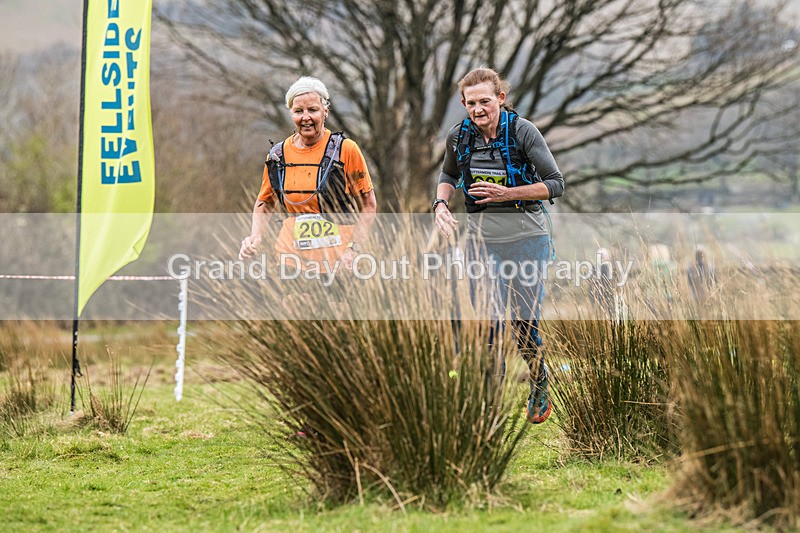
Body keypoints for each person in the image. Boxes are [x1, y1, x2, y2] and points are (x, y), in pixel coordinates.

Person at [433, 67, 565, 424]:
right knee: (487, 322)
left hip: (528, 239)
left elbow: (555, 183)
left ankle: (539, 382)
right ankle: (489, 404)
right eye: (471, 103)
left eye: (485, 101)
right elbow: (448, 175)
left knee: (522, 326)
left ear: (500, 99)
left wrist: (508, 193)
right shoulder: (458, 137)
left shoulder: (523, 132)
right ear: (464, 104)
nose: (478, 109)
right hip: (482, 240)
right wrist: (441, 204)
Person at [239, 76, 377, 305]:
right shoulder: (277, 155)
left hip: (339, 256)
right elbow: (265, 202)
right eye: (298, 111)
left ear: (326, 111)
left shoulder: (346, 150)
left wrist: (355, 248)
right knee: (295, 310)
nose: (306, 117)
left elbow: (369, 205)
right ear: (291, 114)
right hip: (291, 254)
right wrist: (255, 237)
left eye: (312, 109)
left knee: (335, 319)